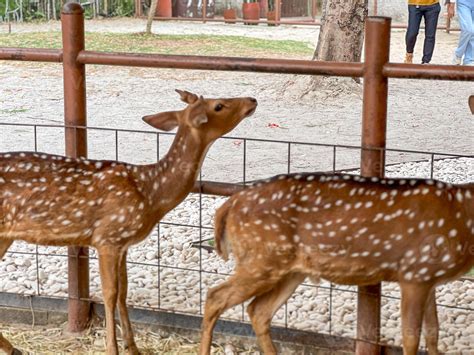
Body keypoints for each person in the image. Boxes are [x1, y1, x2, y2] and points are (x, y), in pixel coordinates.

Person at [404, 0, 442, 64]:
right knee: (412, 33)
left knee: (430, 35)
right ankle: (409, 54)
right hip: (414, 4)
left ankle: (426, 61)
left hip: (433, 5)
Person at [448, 0, 474, 65]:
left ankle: (469, 59)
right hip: (463, 3)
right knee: (468, 30)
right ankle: (458, 54)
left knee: (473, 32)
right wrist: (452, 4)